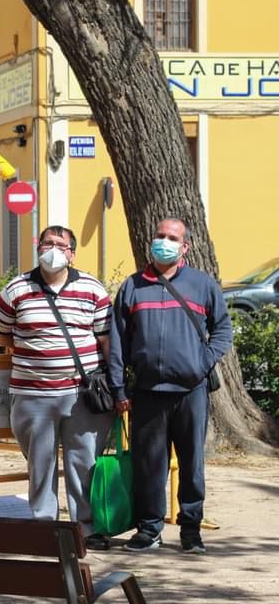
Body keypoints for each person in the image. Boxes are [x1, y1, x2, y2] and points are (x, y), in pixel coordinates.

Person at [109, 218, 233, 554]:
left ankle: (191, 531)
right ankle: (149, 530)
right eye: (159, 235)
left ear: (185, 247)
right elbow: (118, 341)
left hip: (191, 392)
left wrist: (202, 362)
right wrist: (118, 388)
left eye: (172, 237)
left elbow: (223, 330)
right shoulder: (132, 287)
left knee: (192, 466)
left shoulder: (203, 285)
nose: (164, 241)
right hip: (148, 392)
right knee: (149, 466)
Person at [0, 225, 113, 550]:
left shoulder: (92, 288)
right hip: (32, 394)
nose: (53, 249)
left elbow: (105, 338)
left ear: (72, 253)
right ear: (38, 247)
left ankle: (85, 528)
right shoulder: (16, 289)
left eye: (61, 244)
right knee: (40, 464)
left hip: (82, 395)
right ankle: (45, 528)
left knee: (84, 462)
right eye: (47, 243)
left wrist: (116, 382)